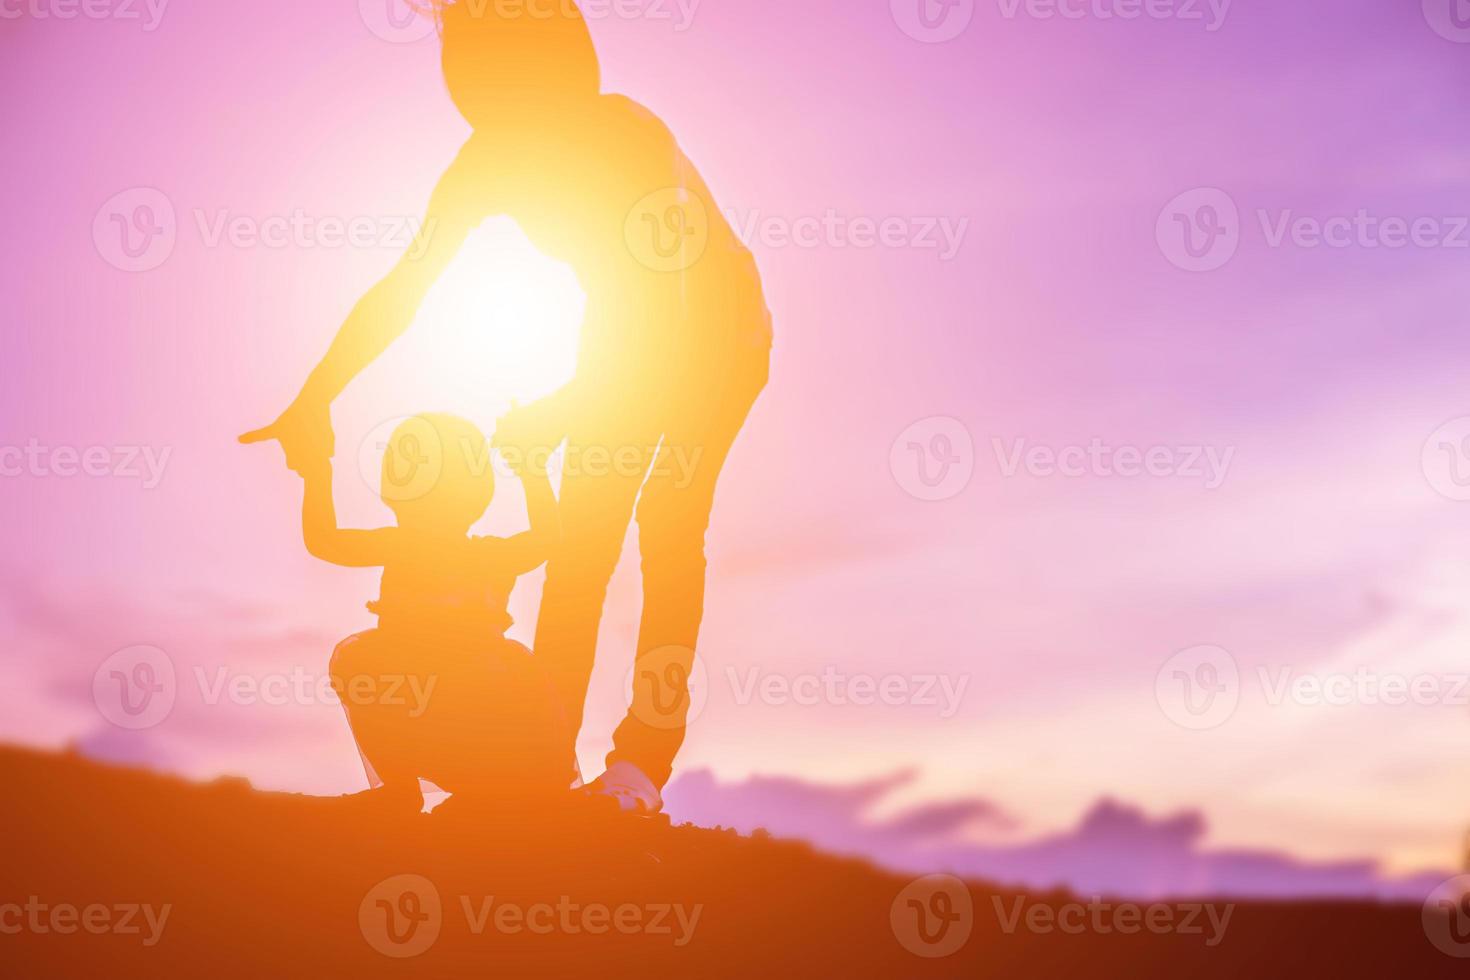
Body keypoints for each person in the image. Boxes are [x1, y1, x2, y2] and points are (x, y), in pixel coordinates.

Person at [242, 1, 772, 814]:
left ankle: (639, 770)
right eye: (460, 64)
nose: (467, 85)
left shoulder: (628, 135)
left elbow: (665, 308)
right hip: (617, 334)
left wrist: (565, 406)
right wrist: (316, 397)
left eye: (486, 64)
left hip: (718, 339)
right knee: (580, 549)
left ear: (553, 65)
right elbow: (405, 289)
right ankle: (543, 776)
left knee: (668, 529)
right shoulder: (481, 163)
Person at [302, 412, 564, 812]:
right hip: (448, 696)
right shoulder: (483, 554)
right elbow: (547, 538)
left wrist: (316, 470)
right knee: (363, 665)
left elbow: (324, 541)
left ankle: (471, 790)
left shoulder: (416, 547)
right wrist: (532, 467)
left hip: (470, 699)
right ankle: (416, 789)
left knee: (361, 664)